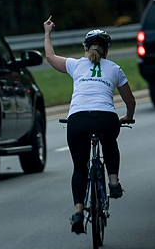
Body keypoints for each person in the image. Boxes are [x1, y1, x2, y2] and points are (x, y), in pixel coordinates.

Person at [43, 15, 136, 234]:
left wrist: (47, 33)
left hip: (78, 119)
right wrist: (128, 116)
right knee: (110, 142)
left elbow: (50, 57)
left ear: (86, 49)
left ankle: (77, 212)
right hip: (106, 118)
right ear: (107, 51)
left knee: (79, 167)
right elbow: (129, 100)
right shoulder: (114, 68)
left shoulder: (75, 65)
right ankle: (113, 182)